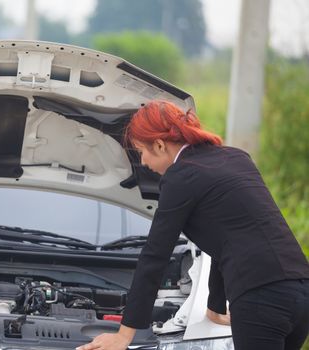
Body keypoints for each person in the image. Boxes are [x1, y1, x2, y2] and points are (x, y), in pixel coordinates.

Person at [77, 100, 309, 350]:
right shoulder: (236, 157)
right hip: (301, 290)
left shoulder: (180, 177)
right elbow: (228, 239)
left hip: (261, 300)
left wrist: (124, 335)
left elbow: (155, 257)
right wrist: (215, 308)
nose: (142, 162)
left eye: (140, 151)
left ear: (159, 144)